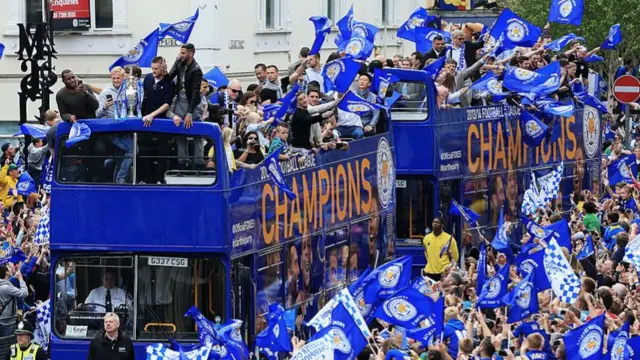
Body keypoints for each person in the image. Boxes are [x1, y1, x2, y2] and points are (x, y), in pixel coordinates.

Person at [422, 217, 459, 281]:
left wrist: (449, 267)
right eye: (433, 222)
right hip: (429, 272)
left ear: (442, 225)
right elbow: (426, 254)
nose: (435, 224)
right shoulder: (426, 238)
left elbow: (455, 256)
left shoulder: (449, 239)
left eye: (437, 222)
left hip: (444, 272)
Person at [0, 264, 28, 337]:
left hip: (2, 319)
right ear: (6, 272)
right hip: (8, 322)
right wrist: (20, 279)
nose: (11, 268)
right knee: (9, 344)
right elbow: (24, 293)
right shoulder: (7, 288)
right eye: (9, 267)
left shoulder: (3, 285)